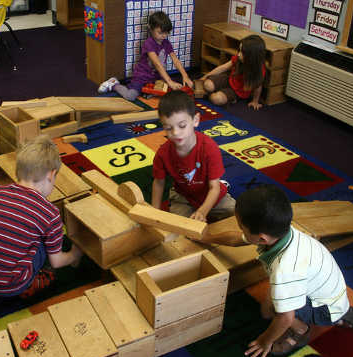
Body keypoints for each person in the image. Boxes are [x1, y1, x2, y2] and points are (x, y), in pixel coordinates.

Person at [208, 184, 353, 357]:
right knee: (272, 303)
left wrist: (265, 341)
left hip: (324, 309)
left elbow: (285, 317)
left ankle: (301, 330)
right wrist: (206, 236)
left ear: (262, 239)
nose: (240, 231)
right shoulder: (283, 232)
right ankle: (340, 311)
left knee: (272, 307)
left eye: (241, 227)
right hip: (329, 292)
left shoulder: (285, 270)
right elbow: (236, 238)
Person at [0, 135, 83, 330]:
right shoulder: (49, 213)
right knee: (40, 245)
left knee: (11, 238)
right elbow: (57, 262)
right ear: (51, 175)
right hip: (13, 283)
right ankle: (30, 286)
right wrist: (75, 253)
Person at [151, 90, 235, 222]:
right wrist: (154, 211)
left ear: (195, 120)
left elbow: (214, 187)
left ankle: (222, 184)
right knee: (180, 226)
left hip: (210, 192)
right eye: (168, 128)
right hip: (183, 196)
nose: (176, 133)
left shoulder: (209, 148)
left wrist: (202, 211)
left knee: (235, 213)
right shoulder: (162, 153)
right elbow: (158, 182)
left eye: (182, 126)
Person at [98, 11, 193, 101]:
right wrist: (169, 82)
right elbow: (157, 64)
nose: (164, 35)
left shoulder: (166, 43)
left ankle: (147, 91)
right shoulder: (149, 43)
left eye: (166, 32)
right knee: (130, 96)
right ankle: (114, 84)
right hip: (142, 76)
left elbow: (175, 60)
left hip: (156, 77)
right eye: (160, 33)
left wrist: (185, 76)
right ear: (151, 29)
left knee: (173, 90)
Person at [200, 34, 266, 110]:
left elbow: (258, 86)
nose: (238, 54)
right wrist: (204, 77)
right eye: (239, 50)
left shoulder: (258, 69)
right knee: (207, 84)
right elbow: (222, 68)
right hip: (229, 80)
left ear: (252, 56)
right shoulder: (238, 59)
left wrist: (255, 101)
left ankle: (221, 96)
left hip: (238, 92)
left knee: (217, 99)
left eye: (242, 53)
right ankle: (219, 93)